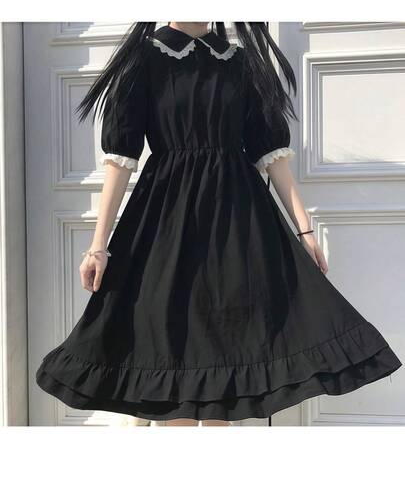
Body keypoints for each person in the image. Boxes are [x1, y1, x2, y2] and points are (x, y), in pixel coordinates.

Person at [36, 22, 402, 427]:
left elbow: (270, 151)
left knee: (229, 347)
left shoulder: (240, 62)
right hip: (166, 225)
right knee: (169, 349)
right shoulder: (144, 59)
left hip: (237, 225)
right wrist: (98, 246)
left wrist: (305, 230)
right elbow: (120, 159)